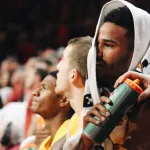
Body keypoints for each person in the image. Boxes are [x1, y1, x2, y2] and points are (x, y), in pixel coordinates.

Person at [80, 0, 150, 149]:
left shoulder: (146, 107)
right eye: (96, 45)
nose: (96, 54)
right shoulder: (96, 106)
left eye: (107, 45)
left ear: (135, 52)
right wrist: (86, 141)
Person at [21, 71, 73, 150]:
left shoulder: (72, 135)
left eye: (44, 88)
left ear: (64, 100)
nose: (35, 92)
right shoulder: (44, 143)